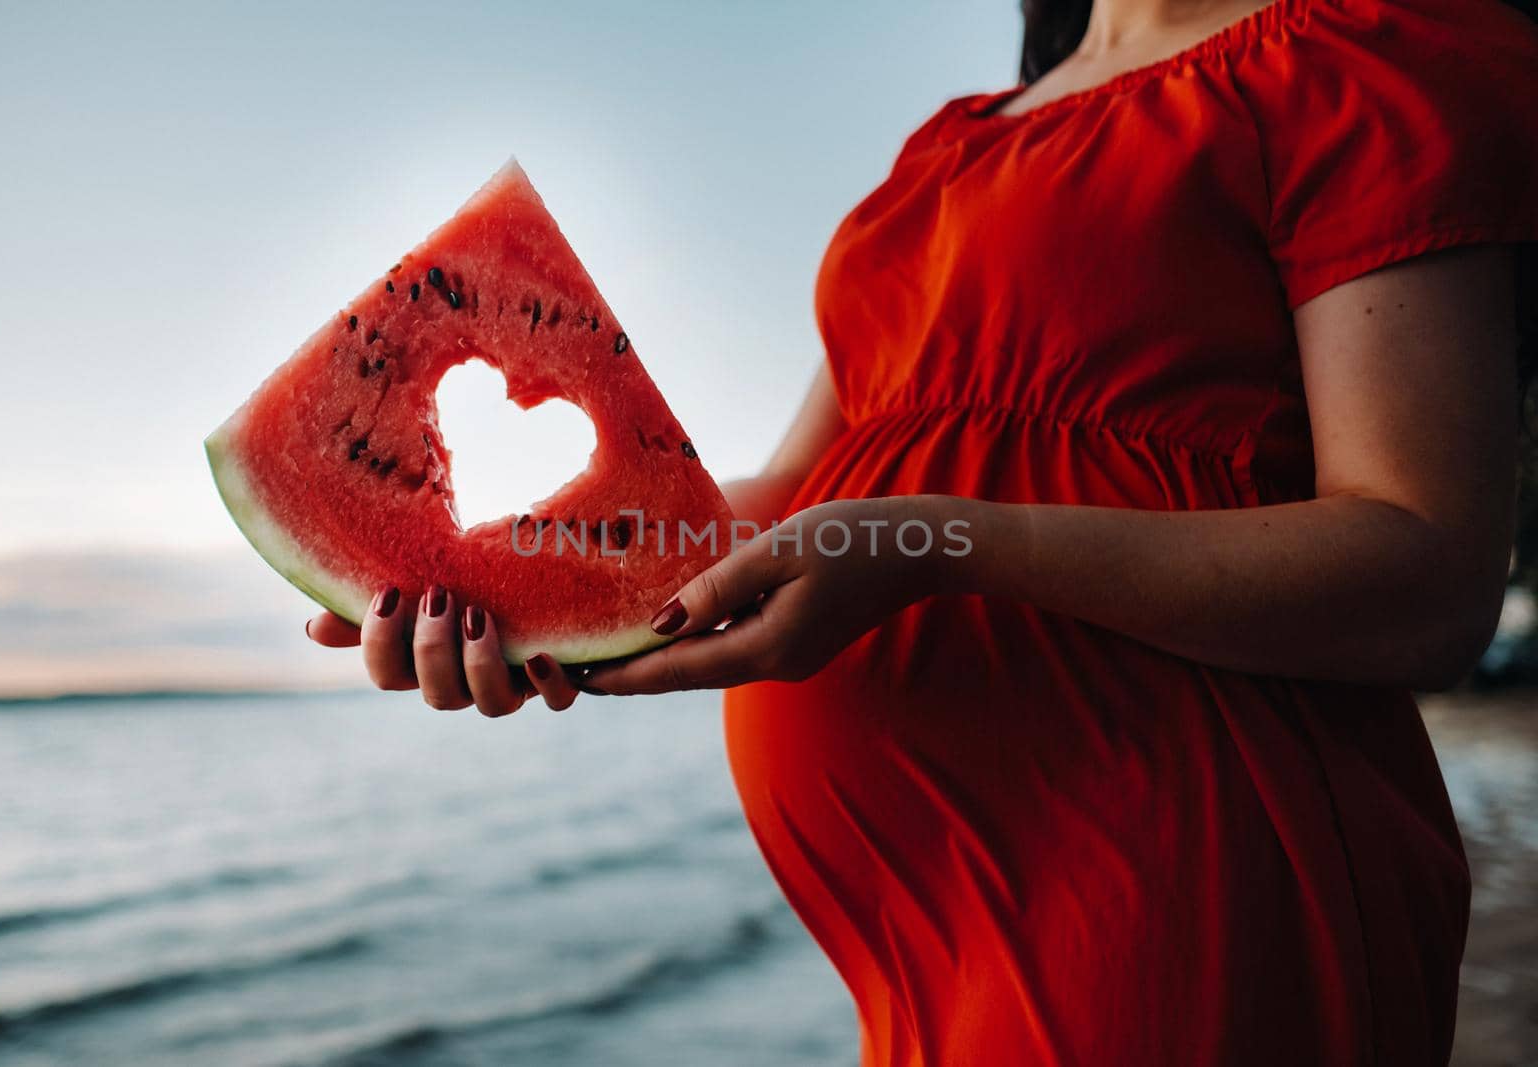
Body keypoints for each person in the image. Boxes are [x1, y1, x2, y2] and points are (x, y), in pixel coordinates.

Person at [306, 0, 1538, 1060]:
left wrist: (928, 543)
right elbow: (796, 485)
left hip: (1179, 866)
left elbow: (1423, 570)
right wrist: (494, 571)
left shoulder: (1366, 53)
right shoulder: (944, 152)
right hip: (911, 928)